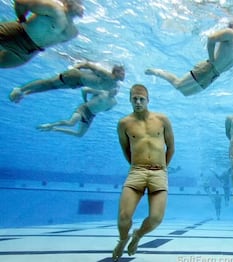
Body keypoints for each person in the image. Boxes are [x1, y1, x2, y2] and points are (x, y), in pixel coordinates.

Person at [112, 84, 175, 261]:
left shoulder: (162, 120)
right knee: (124, 217)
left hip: (159, 173)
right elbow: (126, 149)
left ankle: (137, 235)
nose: (138, 102)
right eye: (135, 99)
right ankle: (123, 240)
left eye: (141, 99)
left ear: (148, 100)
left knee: (156, 218)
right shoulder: (124, 123)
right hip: (137, 171)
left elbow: (171, 147)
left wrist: (163, 168)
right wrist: (136, 166)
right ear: (130, 100)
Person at [145, 20, 233, 96]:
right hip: (209, 68)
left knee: (185, 93)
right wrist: (212, 59)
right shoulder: (231, 33)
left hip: (215, 76)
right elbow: (211, 38)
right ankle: (157, 72)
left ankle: (159, 73)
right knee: (178, 85)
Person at [0, 0, 84, 68]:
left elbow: (20, 2)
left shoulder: (54, 8)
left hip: (15, 34)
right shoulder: (73, 33)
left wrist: (21, 19)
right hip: (28, 53)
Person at [9, 62, 125, 103]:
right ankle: (20, 89)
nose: (124, 75)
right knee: (48, 83)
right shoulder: (108, 75)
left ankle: (24, 93)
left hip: (78, 83)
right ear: (116, 72)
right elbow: (88, 64)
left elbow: (101, 90)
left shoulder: (114, 84)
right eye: (122, 72)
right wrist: (75, 68)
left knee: (51, 87)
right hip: (75, 76)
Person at [37, 87, 118, 137]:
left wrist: (97, 110)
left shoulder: (114, 102)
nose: (115, 91)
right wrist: (85, 100)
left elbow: (107, 109)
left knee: (79, 134)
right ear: (110, 88)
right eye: (114, 89)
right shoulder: (102, 92)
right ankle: (49, 125)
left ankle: (54, 129)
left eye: (117, 90)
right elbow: (85, 89)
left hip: (91, 115)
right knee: (71, 123)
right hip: (84, 108)